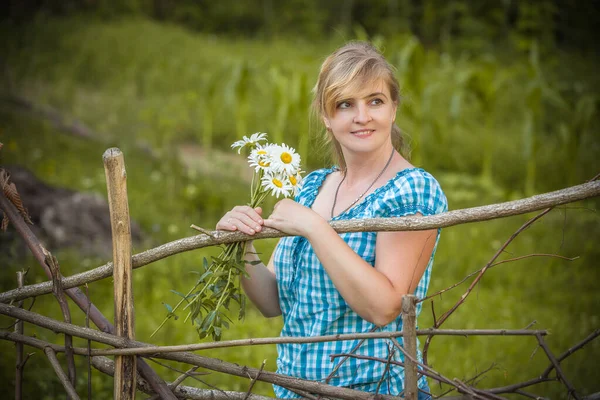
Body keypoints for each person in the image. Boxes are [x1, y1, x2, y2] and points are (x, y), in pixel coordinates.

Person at [216, 41, 447, 399]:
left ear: (394, 108)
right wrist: (242, 245)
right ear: (326, 116)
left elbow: (384, 307)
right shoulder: (312, 186)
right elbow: (273, 301)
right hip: (295, 391)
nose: (362, 116)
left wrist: (314, 227)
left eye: (375, 101)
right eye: (345, 105)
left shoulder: (412, 191)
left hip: (372, 390)